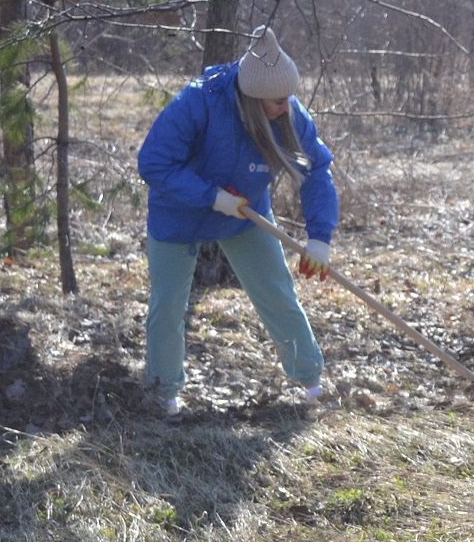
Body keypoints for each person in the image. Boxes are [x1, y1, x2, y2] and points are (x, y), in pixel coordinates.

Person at [136, 27, 339, 416]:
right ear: (254, 98)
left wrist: (320, 238)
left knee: (277, 293)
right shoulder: (198, 102)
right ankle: (163, 393)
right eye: (278, 101)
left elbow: (317, 172)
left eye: (288, 98)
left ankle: (310, 382)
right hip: (177, 213)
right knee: (168, 305)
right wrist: (211, 197)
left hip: (246, 213)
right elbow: (154, 163)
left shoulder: (288, 114)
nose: (287, 106)